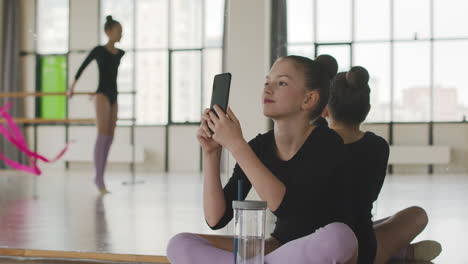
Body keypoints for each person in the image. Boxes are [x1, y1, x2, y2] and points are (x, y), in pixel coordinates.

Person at [167, 55, 359, 264]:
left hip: (318, 247)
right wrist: (211, 154)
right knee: (180, 243)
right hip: (278, 248)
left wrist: (236, 144)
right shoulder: (259, 146)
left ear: (308, 99)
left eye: (281, 83)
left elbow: (287, 207)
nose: (267, 89)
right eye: (267, 82)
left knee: (339, 237)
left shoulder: (327, 141)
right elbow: (216, 218)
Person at [322, 66, 442, 263]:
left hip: (320, 245)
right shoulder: (378, 146)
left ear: (324, 110)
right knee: (416, 215)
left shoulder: (315, 144)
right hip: (366, 249)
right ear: (367, 110)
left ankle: (401, 253)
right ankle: (402, 252)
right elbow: (368, 197)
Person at [67, 15, 125, 194]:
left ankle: (100, 174)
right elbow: (82, 67)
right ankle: (99, 177)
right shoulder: (98, 51)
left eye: (122, 32)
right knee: (102, 134)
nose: (121, 34)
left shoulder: (121, 53)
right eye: (118, 31)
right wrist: (72, 88)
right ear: (108, 32)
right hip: (101, 95)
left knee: (110, 136)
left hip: (114, 95)